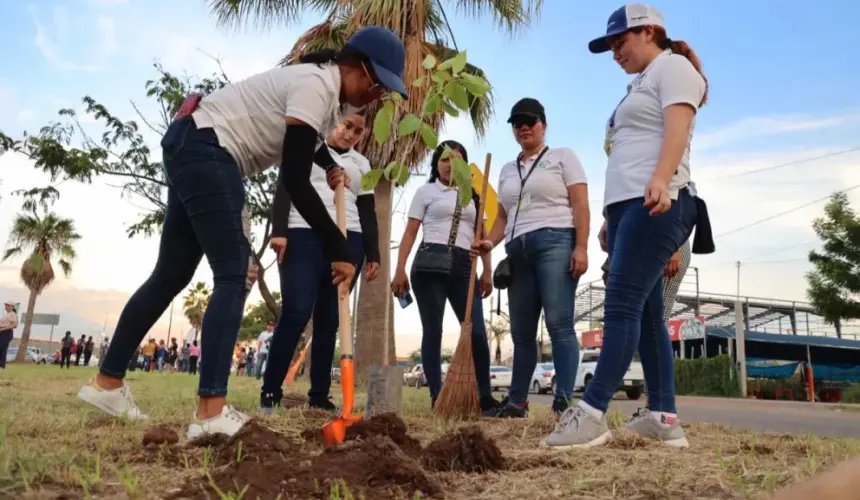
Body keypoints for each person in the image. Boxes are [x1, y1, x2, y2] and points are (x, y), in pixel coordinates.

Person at [77, 25, 408, 438]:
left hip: (189, 144)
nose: (376, 97)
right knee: (234, 272)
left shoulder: (325, 96)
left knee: (171, 275)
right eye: (378, 86)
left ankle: (107, 384)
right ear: (358, 67)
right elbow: (294, 177)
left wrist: (328, 165)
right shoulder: (316, 84)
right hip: (211, 150)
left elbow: (305, 144)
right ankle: (211, 412)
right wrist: (339, 244)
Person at [542, 3, 709, 450]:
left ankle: (592, 412)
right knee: (650, 315)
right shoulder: (637, 84)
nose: (616, 52)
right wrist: (607, 219)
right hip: (627, 209)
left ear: (650, 31)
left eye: (622, 42)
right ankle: (663, 416)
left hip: (657, 201)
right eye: (611, 46)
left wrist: (661, 179)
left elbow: (677, 129)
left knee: (621, 305)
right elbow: (626, 153)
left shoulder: (672, 67)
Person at [472, 98, 590, 418]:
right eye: (516, 123)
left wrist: (581, 247)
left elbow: (580, 205)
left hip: (556, 241)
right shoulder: (508, 170)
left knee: (558, 324)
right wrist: (488, 243)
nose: (523, 127)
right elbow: (501, 217)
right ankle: (516, 402)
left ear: (543, 125)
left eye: (530, 121)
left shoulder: (563, 157)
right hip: (517, 251)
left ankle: (563, 401)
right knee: (522, 333)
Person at [261, 112, 381, 412]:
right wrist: (279, 231)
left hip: (347, 237)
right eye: (346, 125)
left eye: (358, 130)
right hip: (303, 232)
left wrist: (373, 253)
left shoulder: (362, 164)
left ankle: (319, 397)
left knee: (330, 320)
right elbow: (285, 187)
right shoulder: (306, 146)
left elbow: (367, 210)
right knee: (296, 312)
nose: (350, 133)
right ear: (332, 120)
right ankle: (270, 393)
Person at [391, 140, 497, 412]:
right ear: (436, 164)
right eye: (445, 159)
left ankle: (485, 398)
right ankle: (437, 396)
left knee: (476, 333)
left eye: (457, 159)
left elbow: (482, 237)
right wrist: (400, 267)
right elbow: (411, 232)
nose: (450, 165)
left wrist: (487, 271)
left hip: (465, 266)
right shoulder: (426, 192)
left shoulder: (475, 197)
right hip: (429, 265)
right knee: (433, 330)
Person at [0, 301, 19, 369]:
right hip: (3, 332)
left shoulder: (12, 314)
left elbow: (15, 325)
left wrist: (3, 329)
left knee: (1, 348)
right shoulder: (7, 314)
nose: (6, 306)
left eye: (8, 305)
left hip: (6, 332)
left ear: (12, 307)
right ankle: (2, 365)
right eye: (6, 305)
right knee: (3, 349)